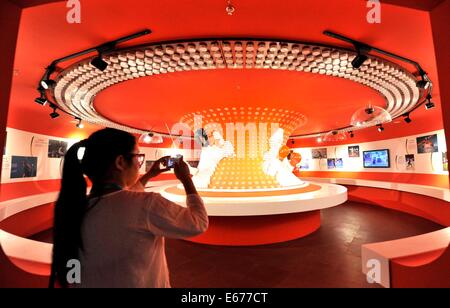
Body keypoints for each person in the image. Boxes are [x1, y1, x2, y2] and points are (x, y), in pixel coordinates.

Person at [50, 128, 208, 288]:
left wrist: (150, 175)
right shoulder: (148, 204)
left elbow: (123, 200)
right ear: (120, 162)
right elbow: (198, 223)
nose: (139, 164)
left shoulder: (74, 209)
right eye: (138, 156)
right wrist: (186, 179)